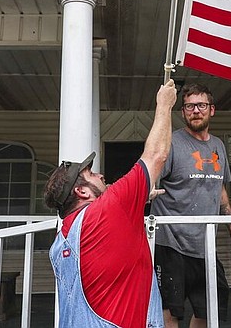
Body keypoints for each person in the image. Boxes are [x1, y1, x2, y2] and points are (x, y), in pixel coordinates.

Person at [44, 79, 177, 328]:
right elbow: (157, 155)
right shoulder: (109, 209)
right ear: (81, 191)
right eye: (91, 175)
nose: (101, 175)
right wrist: (164, 105)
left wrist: (137, 201)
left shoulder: (63, 236)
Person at [150, 82, 231, 327]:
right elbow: (150, 178)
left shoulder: (218, 146)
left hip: (205, 243)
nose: (196, 110)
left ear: (211, 110)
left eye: (201, 105)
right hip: (170, 242)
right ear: (183, 112)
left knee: (209, 307)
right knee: (170, 310)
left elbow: (221, 190)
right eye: (190, 106)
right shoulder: (172, 144)